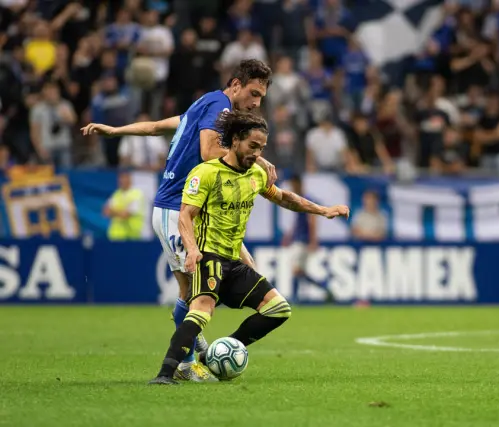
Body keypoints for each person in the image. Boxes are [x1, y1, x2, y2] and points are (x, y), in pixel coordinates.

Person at [81, 60, 277, 382]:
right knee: (193, 289)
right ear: (235, 85)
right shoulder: (219, 105)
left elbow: (157, 126)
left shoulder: (205, 104)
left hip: (187, 208)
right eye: (253, 93)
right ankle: (186, 364)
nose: (256, 103)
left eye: (261, 98)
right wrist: (258, 159)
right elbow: (209, 151)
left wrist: (116, 130)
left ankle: (197, 350)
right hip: (177, 209)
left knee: (221, 277)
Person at [149, 110, 349, 385]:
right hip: (209, 257)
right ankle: (165, 373)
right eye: (252, 146)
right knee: (202, 310)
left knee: (278, 308)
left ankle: (217, 353)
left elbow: (284, 198)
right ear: (235, 141)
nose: (257, 154)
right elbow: (185, 215)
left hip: (234, 262)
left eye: (261, 148)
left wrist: (323, 210)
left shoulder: (255, 174)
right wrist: (192, 249)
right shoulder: (206, 172)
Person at [281, 175, 335, 303]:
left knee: (296, 270)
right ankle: (324, 288)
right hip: (298, 238)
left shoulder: (307, 200)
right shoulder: (298, 200)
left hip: (303, 240)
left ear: (299, 184)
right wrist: (289, 236)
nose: (292, 188)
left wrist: (313, 240)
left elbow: (312, 221)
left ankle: (295, 298)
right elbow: (297, 222)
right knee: (299, 271)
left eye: (293, 185)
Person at [103, 170, 145, 240]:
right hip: (115, 237)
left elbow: (125, 215)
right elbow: (105, 211)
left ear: (129, 179)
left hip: (131, 237)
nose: (121, 180)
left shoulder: (137, 195)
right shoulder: (116, 194)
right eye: (120, 178)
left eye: (124, 177)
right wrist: (119, 212)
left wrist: (113, 212)